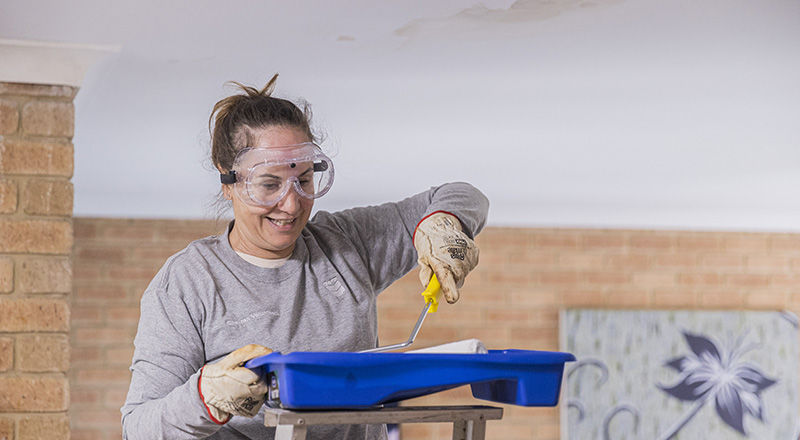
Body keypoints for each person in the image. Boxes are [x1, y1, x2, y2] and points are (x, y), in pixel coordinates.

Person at [121, 74, 490, 440]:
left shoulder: (346, 244)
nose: (292, 203)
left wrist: (444, 223)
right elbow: (138, 428)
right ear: (228, 181)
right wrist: (204, 398)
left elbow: (463, 194)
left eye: (304, 180)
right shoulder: (188, 283)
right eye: (269, 184)